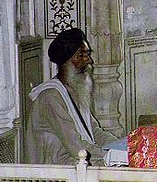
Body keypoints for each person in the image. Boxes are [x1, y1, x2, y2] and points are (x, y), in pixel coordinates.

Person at [25, 28, 117, 165]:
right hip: (56, 171)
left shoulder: (76, 90)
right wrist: (109, 156)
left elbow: (94, 131)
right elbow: (75, 146)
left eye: (87, 54)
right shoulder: (51, 97)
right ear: (66, 62)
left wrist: (122, 146)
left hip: (75, 162)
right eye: (81, 55)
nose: (89, 60)